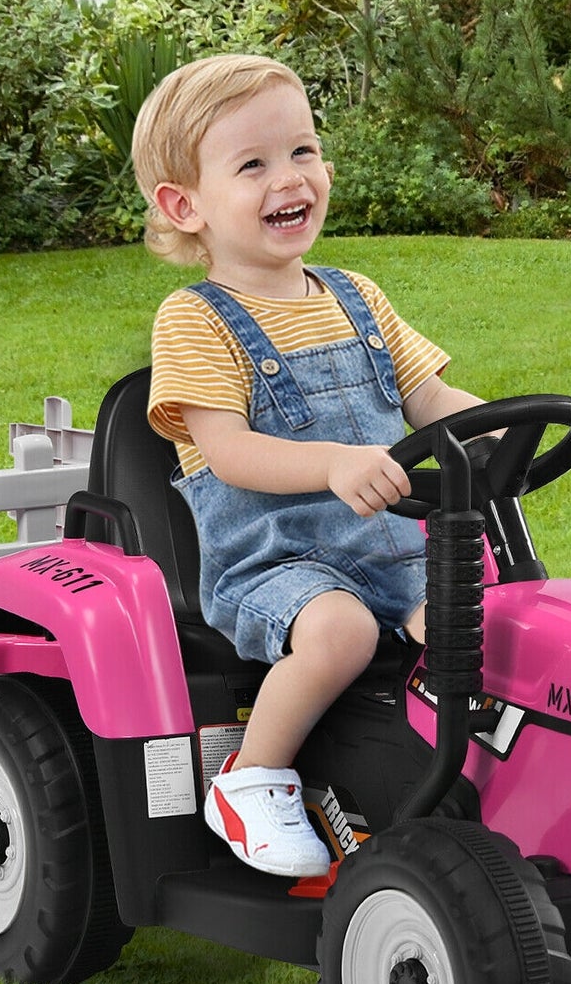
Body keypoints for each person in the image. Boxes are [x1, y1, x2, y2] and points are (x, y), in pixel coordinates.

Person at [133, 54, 480, 877]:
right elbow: (227, 450)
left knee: (479, 623)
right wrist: (331, 463)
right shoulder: (194, 321)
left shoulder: (357, 296)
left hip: (394, 549)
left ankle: (464, 781)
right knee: (340, 630)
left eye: (302, 151)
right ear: (185, 205)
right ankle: (250, 778)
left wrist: (493, 426)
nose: (289, 178)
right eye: (252, 164)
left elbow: (430, 397)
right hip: (276, 562)